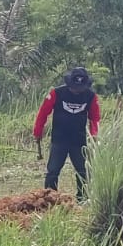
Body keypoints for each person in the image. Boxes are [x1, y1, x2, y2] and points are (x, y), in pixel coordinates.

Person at [33, 66, 100, 201]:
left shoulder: (91, 96)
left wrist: (94, 135)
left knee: (83, 171)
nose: (77, 90)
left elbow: (95, 118)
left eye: (80, 88)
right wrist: (38, 131)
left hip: (79, 140)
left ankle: (82, 199)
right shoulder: (56, 93)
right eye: (74, 87)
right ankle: (50, 199)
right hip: (59, 139)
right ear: (69, 83)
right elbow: (43, 113)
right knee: (53, 171)